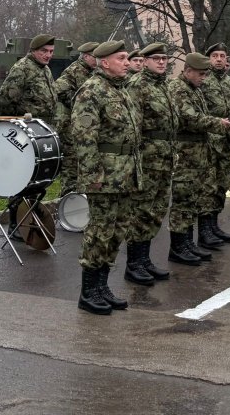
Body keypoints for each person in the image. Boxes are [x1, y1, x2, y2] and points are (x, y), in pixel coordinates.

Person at [71, 40, 141, 315]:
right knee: (100, 231)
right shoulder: (92, 90)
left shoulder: (121, 89)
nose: (127, 62)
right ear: (104, 62)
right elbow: (84, 137)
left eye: (126, 58)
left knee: (117, 230)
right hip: (105, 175)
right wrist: (92, 175)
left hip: (125, 173)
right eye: (121, 58)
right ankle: (88, 292)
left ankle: (102, 286)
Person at [167, 52, 230, 262]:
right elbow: (188, 118)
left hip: (197, 154)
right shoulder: (178, 89)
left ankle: (187, 243)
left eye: (206, 74)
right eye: (201, 74)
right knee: (183, 201)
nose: (204, 78)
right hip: (185, 154)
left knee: (193, 199)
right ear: (187, 71)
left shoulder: (193, 89)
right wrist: (217, 123)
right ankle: (178, 248)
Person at [0, 33, 59, 236]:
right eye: (44, 51)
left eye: (50, 52)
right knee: (22, 181)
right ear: (33, 51)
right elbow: (5, 99)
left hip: (41, 134)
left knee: (37, 182)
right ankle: (15, 225)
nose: (48, 55)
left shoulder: (45, 70)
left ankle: (27, 221)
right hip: (24, 134)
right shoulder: (23, 69)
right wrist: (16, 124)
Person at [125, 42, 177, 283]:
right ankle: (133, 264)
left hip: (164, 156)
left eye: (164, 59)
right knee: (141, 211)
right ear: (144, 61)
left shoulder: (163, 85)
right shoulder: (137, 85)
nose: (162, 62)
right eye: (156, 58)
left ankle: (144, 260)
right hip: (147, 158)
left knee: (156, 211)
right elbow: (133, 126)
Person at [200, 42, 230, 242]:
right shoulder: (203, 79)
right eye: (214, 55)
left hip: (225, 141)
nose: (218, 59)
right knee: (207, 186)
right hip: (208, 141)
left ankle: (214, 225)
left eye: (222, 56)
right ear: (208, 59)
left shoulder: (228, 82)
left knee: (221, 185)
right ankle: (204, 230)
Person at [54, 41, 98, 195]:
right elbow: (58, 90)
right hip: (69, 127)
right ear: (86, 56)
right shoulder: (74, 70)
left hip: (83, 125)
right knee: (71, 167)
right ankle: (67, 201)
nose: (97, 59)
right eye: (94, 56)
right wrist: (78, 100)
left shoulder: (92, 72)